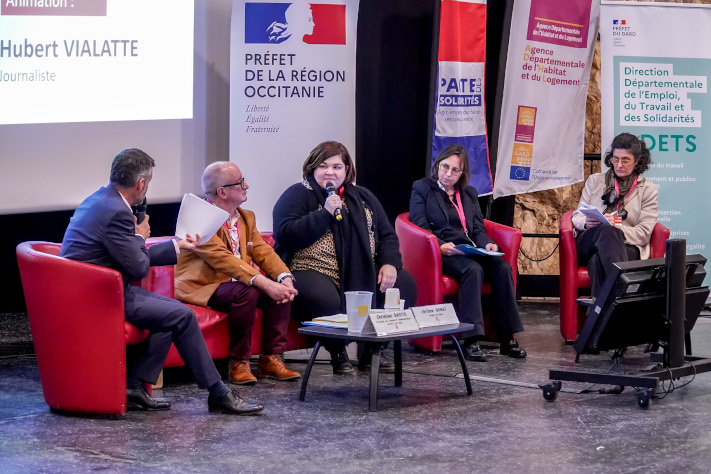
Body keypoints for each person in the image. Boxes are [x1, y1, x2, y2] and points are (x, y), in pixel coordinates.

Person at [60, 149, 263, 415]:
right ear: (141, 183)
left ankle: (133, 387)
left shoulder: (100, 199)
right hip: (99, 295)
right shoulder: (117, 212)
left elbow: (130, 258)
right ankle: (218, 393)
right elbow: (137, 267)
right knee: (182, 315)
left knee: (169, 314)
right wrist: (140, 236)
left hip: (95, 287)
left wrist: (177, 246)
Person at [272, 141, 417, 374]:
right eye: (323, 166)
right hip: (312, 268)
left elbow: (386, 235)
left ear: (347, 170)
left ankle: (374, 350)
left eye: (337, 167)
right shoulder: (298, 193)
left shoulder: (363, 196)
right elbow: (286, 234)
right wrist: (325, 213)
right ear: (312, 168)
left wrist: (390, 263)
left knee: (404, 284)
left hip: (362, 268)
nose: (330, 172)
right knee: (321, 296)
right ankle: (337, 351)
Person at [174, 162, 301, 386]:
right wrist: (264, 283)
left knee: (278, 291)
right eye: (240, 182)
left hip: (238, 284)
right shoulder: (198, 219)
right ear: (222, 192)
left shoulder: (246, 217)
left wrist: (284, 277)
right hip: (204, 287)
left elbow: (263, 251)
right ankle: (239, 363)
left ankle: (271, 359)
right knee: (248, 292)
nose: (247, 186)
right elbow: (223, 258)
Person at [409, 144, 526, 362]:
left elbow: (478, 229)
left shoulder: (468, 194)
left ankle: (507, 338)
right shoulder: (422, 188)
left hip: (470, 249)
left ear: (462, 173)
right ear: (437, 165)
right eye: (445, 167)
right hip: (441, 252)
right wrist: (440, 245)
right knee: (472, 270)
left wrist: (488, 244)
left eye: (455, 170)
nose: (448, 173)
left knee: (502, 268)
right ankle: (471, 339)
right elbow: (419, 225)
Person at [573, 132, 658, 301]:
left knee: (598, 260)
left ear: (637, 160)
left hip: (627, 245)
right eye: (615, 159)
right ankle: (625, 294)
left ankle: (599, 313)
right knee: (606, 230)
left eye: (625, 160)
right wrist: (586, 223)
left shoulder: (648, 189)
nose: (619, 165)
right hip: (589, 241)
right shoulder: (594, 181)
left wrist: (617, 228)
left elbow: (644, 233)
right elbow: (577, 216)